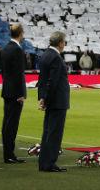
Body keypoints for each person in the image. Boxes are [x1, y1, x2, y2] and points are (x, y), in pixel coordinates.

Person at [37, 31, 70, 173]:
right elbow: (53, 81)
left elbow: (42, 80)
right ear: (61, 42)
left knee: (47, 132)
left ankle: (44, 162)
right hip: (57, 101)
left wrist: (42, 98)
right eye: (64, 42)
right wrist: (47, 98)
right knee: (54, 133)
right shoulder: (56, 58)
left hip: (50, 100)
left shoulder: (45, 55)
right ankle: (49, 163)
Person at [1, 24, 27, 164]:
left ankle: (8, 153)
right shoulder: (17, 50)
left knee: (7, 123)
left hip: (7, 90)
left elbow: (5, 73)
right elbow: (18, 74)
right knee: (12, 124)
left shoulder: (5, 48)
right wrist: (20, 93)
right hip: (15, 93)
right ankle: (9, 154)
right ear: (21, 33)